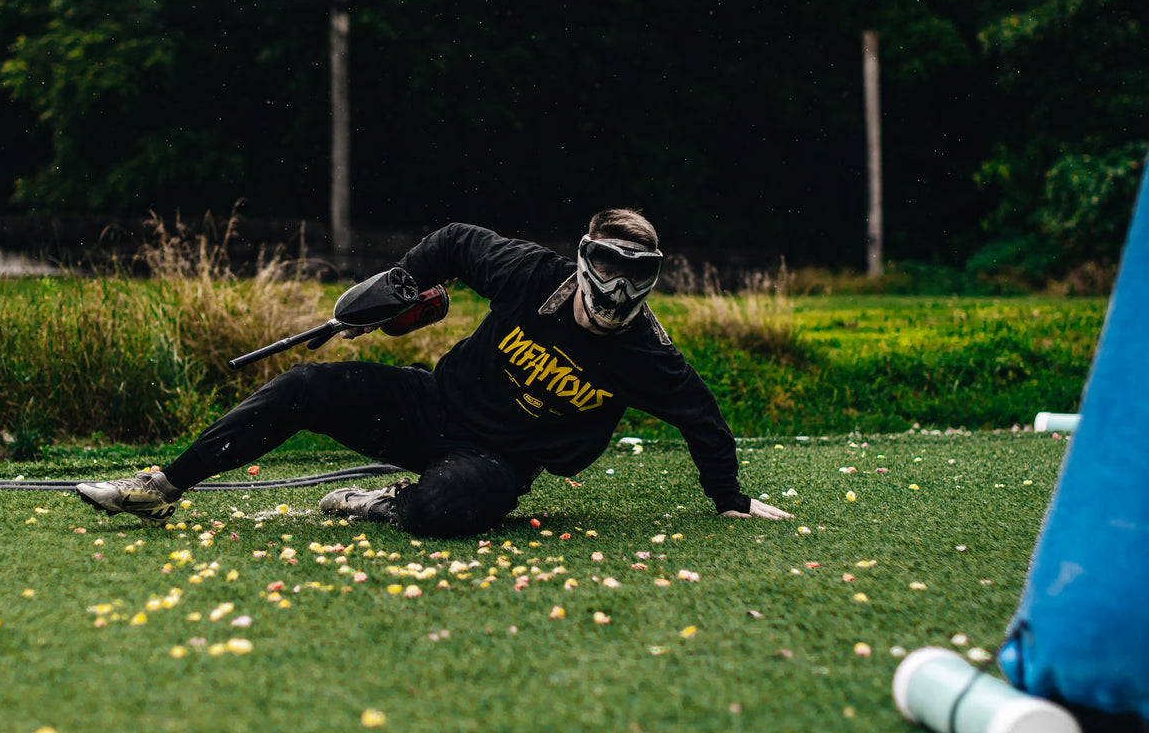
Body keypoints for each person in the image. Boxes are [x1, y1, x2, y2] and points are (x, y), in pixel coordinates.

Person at [76, 209, 795, 535]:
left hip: (497, 460)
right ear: (584, 260)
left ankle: (383, 503)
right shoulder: (531, 273)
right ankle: (164, 486)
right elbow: (454, 240)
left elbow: (703, 419)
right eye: (608, 263)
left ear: (651, 277)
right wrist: (399, 286)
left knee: (445, 507)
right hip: (432, 407)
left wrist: (729, 498)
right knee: (304, 387)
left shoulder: (648, 353)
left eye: (638, 270)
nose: (618, 282)